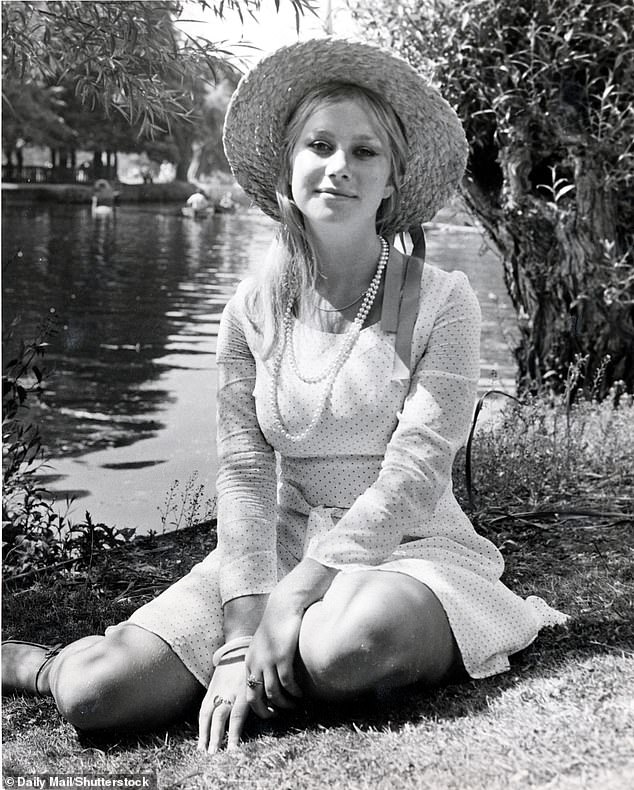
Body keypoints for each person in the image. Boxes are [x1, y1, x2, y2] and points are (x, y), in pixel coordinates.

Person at [2, 38, 568, 753]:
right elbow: (243, 473)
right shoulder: (249, 309)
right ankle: (41, 664)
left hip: (412, 548)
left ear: (392, 180)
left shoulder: (443, 301)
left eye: (365, 153)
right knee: (98, 694)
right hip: (285, 541)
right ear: (289, 164)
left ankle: (307, 654)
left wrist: (297, 595)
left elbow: (417, 472)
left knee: (348, 645)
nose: (339, 167)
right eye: (320, 145)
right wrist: (243, 634)